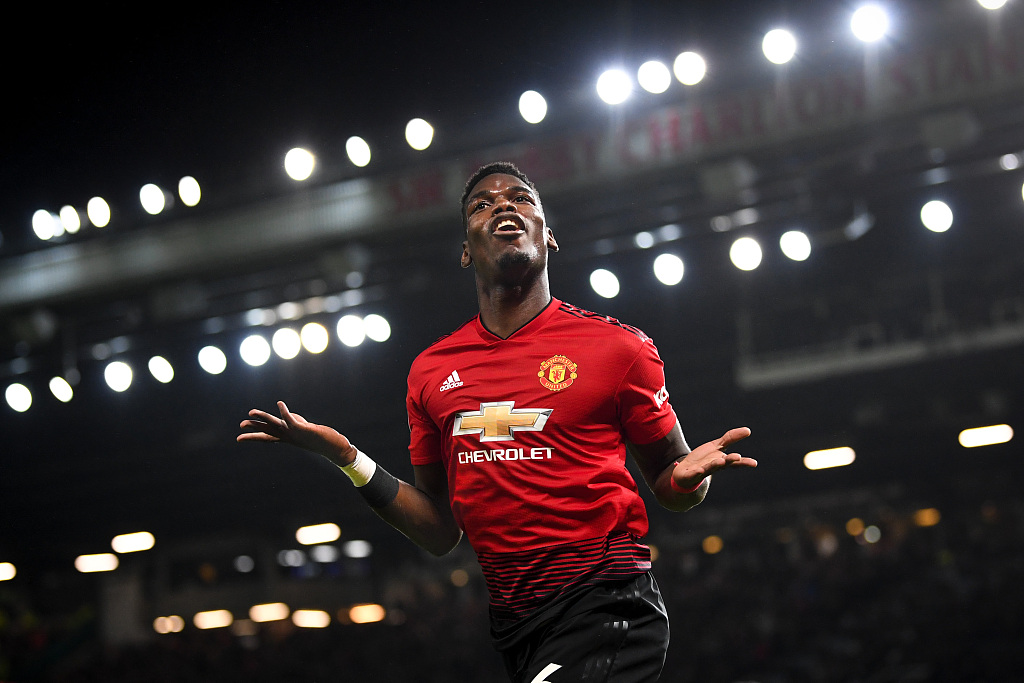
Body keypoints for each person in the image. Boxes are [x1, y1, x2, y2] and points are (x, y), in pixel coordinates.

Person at [238, 161, 756, 682]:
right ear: (466, 250)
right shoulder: (430, 372)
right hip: (515, 625)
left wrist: (690, 481)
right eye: (482, 204)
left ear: (549, 237)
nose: (504, 205)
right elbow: (441, 530)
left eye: (522, 198)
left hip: (608, 603)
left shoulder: (619, 349)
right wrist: (348, 459)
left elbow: (673, 479)